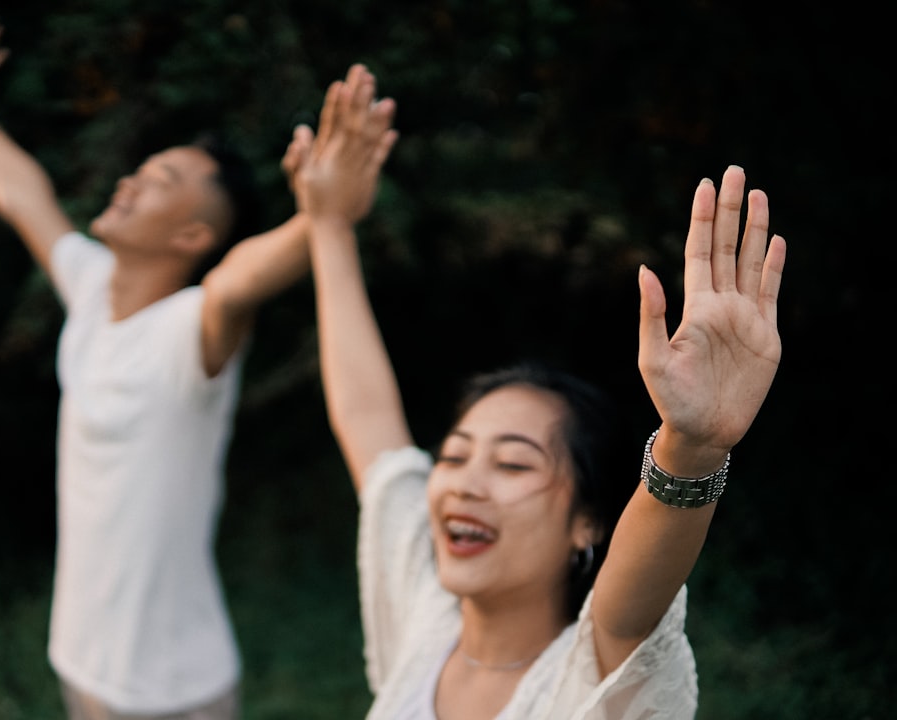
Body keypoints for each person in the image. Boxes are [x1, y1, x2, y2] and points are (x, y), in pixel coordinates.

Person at [293, 63, 786, 719]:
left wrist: (691, 447)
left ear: (587, 523)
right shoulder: (424, 611)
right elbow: (365, 415)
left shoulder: (598, 679)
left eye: (513, 463)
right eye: (455, 454)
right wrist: (327, 226)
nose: (465, 483)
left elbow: (630, 605)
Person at [0, 12, 329, 720]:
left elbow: (239, 280)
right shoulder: (90, 287)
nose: (127, 183)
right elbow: (25, 196)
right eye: (139, 170)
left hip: (179, 690)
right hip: (82, 659)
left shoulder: (189, 334)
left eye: (159, 180)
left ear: (191, 235)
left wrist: (323, 217)